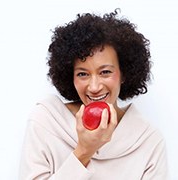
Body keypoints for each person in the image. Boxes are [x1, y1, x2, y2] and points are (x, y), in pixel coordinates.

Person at [19, 9, 168, 180]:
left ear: (124, 73)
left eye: (105, 72)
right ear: (70, 76)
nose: (94, 87)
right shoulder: (46, 121)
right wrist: (84, 151)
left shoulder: (149, 141)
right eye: (83, 74)